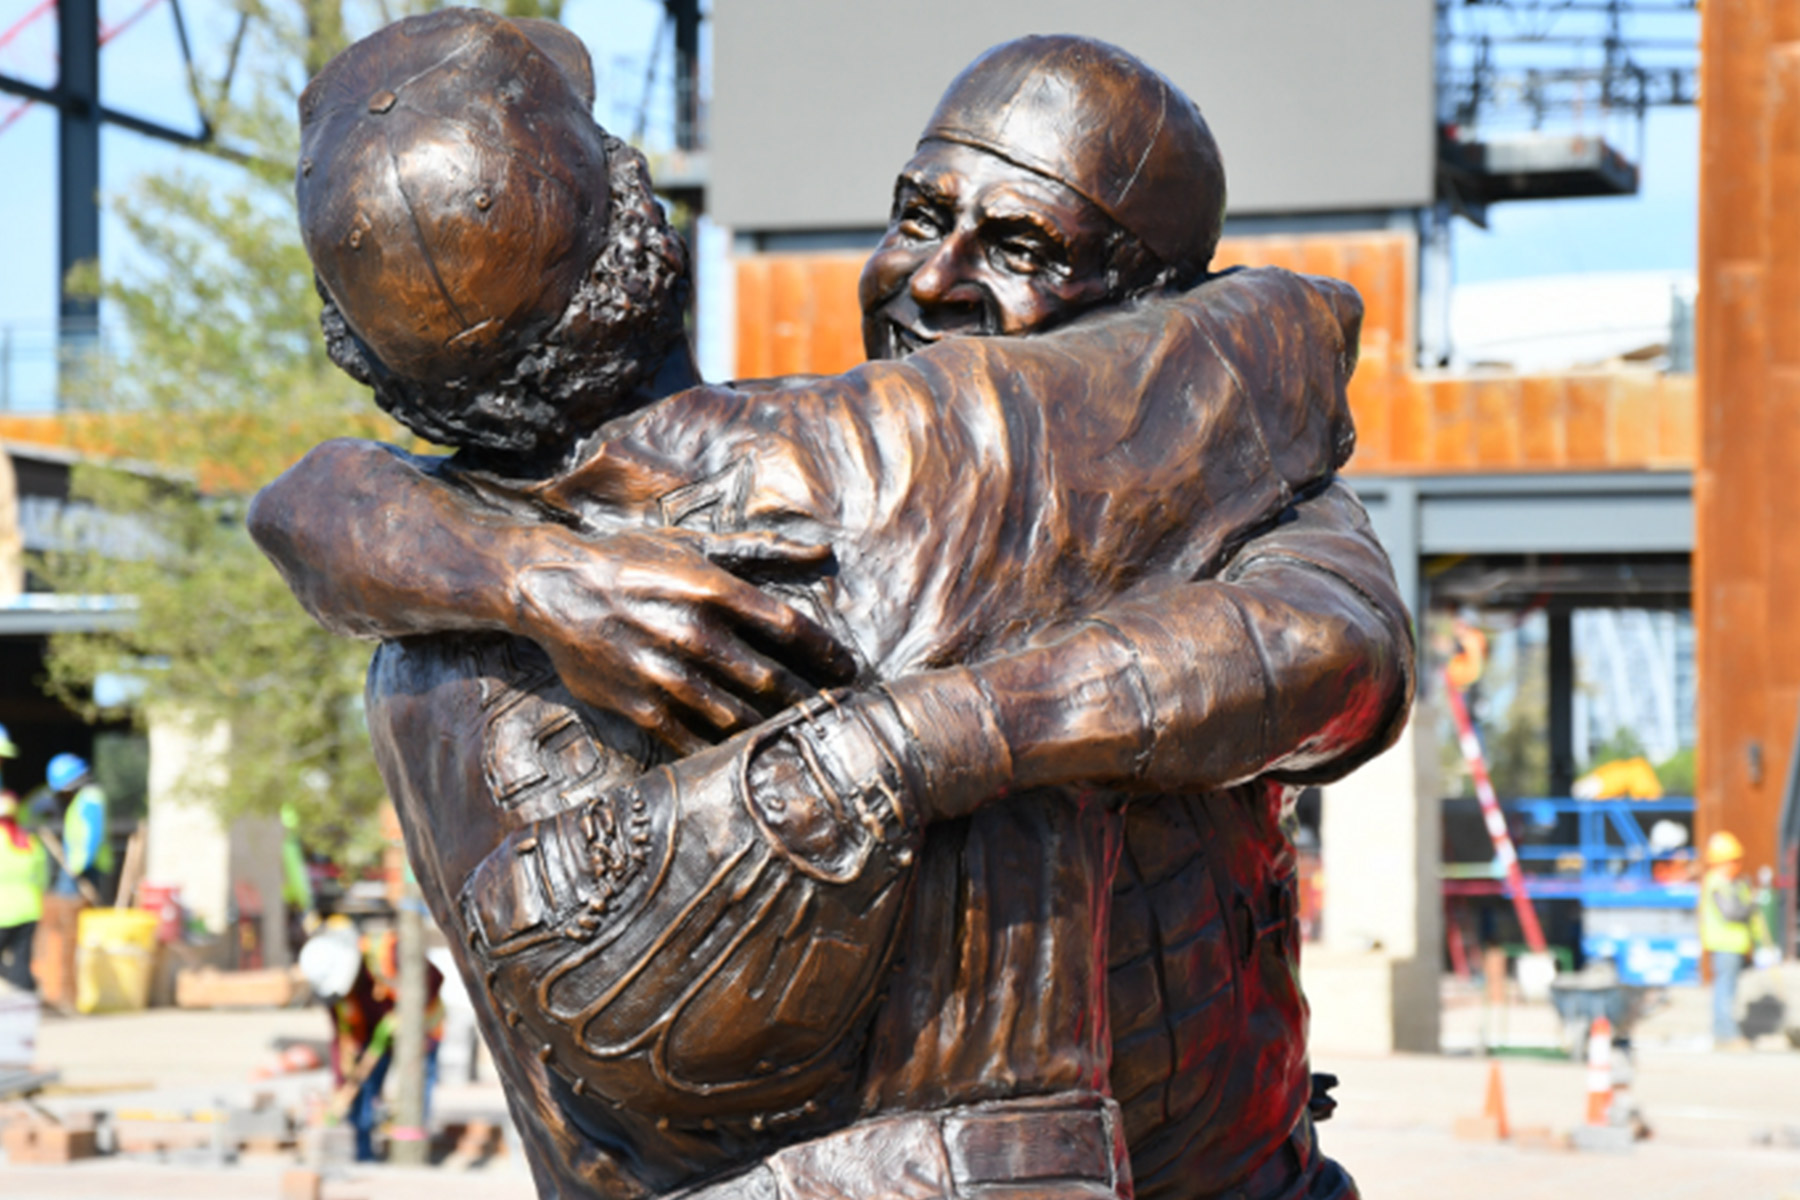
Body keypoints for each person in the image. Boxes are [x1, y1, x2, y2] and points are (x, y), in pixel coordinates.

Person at [252, 17, 1409, 1200]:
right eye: (919, 217)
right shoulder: (825, 478)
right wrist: (532, 580)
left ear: (1160, 315)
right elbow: (1288, 338)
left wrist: (912, 743)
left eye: (1020, 246)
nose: (936, 280)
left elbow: (1340, 648)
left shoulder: (1206, 479)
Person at [300, 924, 446, 1161]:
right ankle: (364, 1154)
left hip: (421, 1032)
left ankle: (412, 1150)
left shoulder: (388, 951)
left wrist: (407, 1015)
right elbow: (341, 1039)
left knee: (416, 1090)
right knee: (362, 1091)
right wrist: (341, 1084)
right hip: (376, 1037)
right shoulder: (337, 996)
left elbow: (436, 978)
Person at [1699, 830, 1771, 1048]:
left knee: (1728, 990)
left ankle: (1723, 1032)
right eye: (1732, 861)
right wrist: (1751, 905)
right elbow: (1731, 913)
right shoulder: (1716, 884)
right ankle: (1727, 1035)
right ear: (1720, 862)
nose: (1736, 865)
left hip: (1735, 945)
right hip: (1724, 945)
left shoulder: (1733, 884)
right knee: (1725, 991)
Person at [0, 790, 49, 993]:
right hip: (29, 908)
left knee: (15, 965)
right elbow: (43, 878)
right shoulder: (29, 841)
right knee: (21, 960)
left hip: (3, 912)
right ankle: (25, 999)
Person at [45, 753, 110, 900]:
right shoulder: (80, 800)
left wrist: (79, 866)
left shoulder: (90, 798)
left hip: (86, 867)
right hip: (76, 865)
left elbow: (93, 835)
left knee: (71, 907)